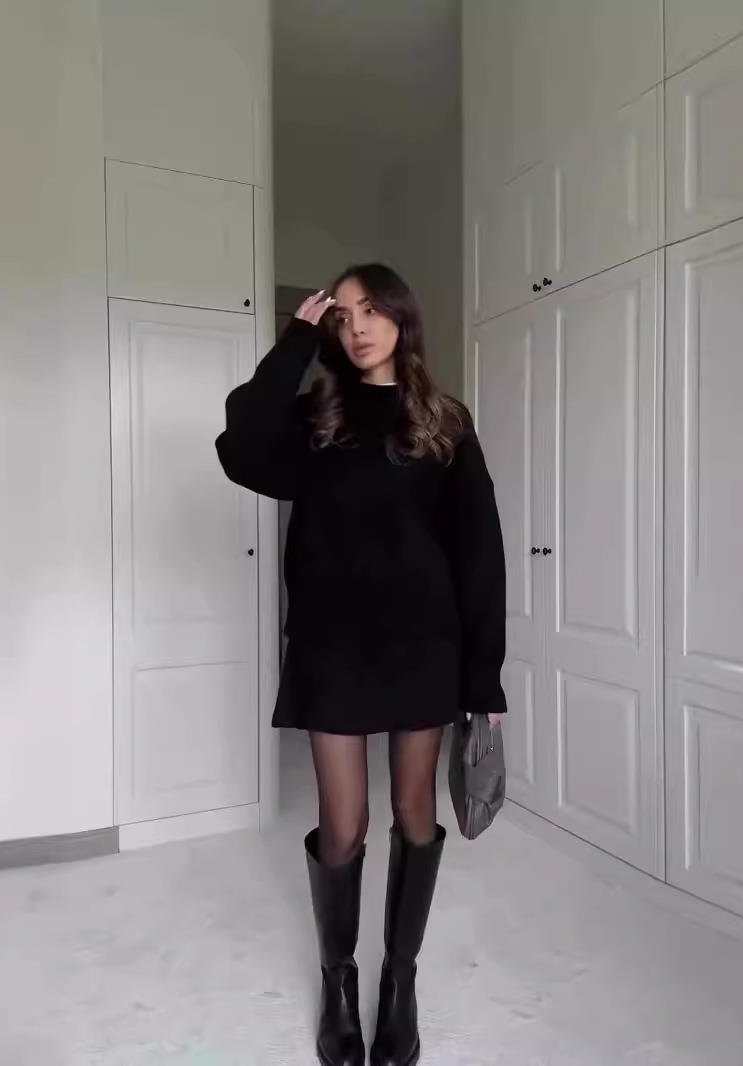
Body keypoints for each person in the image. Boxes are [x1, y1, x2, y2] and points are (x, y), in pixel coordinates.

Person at [214, 263, 507, 1066]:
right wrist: (293, 344)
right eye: (341, 316)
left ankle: (398, 982)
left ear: (401, 317)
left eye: (371, 309)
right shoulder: (318, 417)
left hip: (424, 646)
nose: (357, 326)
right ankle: (338, 982)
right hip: (333, 646)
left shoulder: (444, 421)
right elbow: (239, 447)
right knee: (343, 826)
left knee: (414, 816)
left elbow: (480, 553)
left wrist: (484, 675)